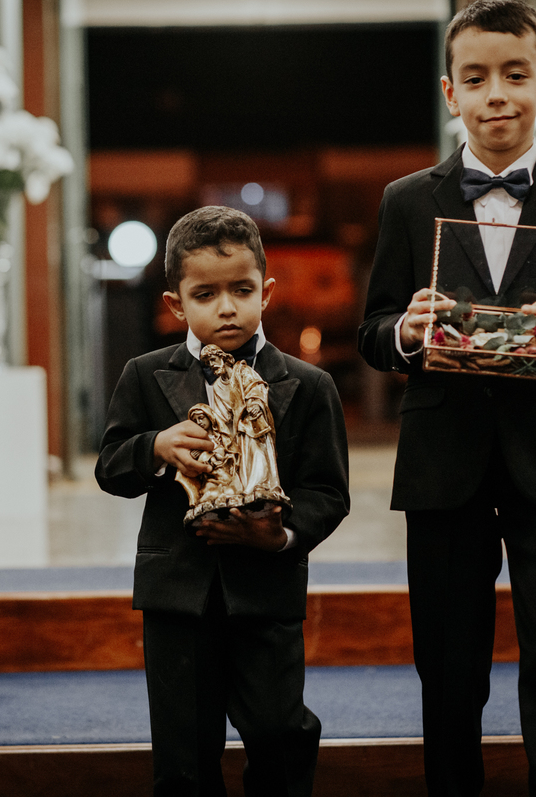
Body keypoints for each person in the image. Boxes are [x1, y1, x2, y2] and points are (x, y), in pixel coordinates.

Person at [357, 0, 536, 795]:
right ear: (451, 93)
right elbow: (372, 329)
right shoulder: (407, 200)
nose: (496, 95)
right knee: (448, 662)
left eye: (515, 75)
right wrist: (406, 332)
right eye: (475, 78)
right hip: (443, 463)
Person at [96, 205, 350, 796]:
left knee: (280, 734)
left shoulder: (310, 385)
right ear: (175, 304)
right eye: (205, 295)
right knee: (183, 754)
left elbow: (328, 491)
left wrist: (280, 536)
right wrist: (155, 446)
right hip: (176, 595)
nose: (227, 307)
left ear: (267, 291)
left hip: (266, 591)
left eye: (242, 290)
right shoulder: (144, 374)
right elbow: (111, 468)